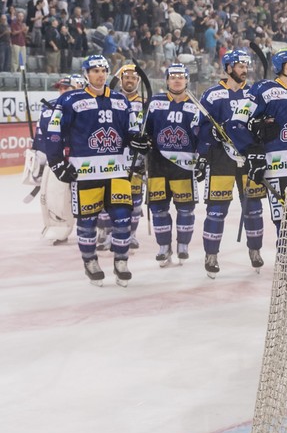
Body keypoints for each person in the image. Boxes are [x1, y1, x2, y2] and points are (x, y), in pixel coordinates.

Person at [43, 54, 146, 287]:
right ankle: (90, 261)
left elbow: (131, 132)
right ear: (86, 74)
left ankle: (121, 261)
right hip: (86, 173)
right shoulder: (70, 100)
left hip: (118, 171)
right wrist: (57, 162)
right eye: (95, 70)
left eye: (103, 70)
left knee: (122, 219)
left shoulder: (121, 100)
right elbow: (54, 133)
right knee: (87, 221)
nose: (100, 74)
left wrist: (139, 141)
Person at [225, 48, 287, 236]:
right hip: (279, 169)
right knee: (286, 229)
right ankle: (286, 266)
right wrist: (253, 150)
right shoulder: (265, 90)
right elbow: (235, 123)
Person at [197, 49, 266, 278]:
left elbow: (261, 122)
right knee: (216, 210)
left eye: (246, 66)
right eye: (239, 66)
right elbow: (201, 128)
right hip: (221, 159)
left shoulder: (254, 94)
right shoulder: (213, 94)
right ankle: (211, 255)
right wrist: (210, 139)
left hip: (247, 159)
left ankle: (255, 251)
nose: (244, 70)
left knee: (254, 209)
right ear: (228, 68)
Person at [141, 63, 200, 267]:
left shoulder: (195, 104)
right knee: (159, 209)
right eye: (173, 76)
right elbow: (145, 130)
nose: (177, 80)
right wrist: (143, 141)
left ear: (186, 80)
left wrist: (202, 157)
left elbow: (201, 136)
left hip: (184, 166)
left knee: (185, 210)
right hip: (157, 163)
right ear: (166, 80)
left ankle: (183, 245)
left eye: (181, 76)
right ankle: (163, 247)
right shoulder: (155, 102)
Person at [32, 74, 87, 244]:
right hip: (60, 160)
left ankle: (98, 229)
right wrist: (39, 157)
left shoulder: (90, 106)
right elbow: (43, 135)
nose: (62, 91)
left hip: (85, 160)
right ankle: (59, 229)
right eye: (60, 88)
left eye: (66, 88)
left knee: (89, 198)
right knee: (56, 198)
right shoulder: (50, 108)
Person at [114, 64, 146, 249]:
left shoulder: (145, 102)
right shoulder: (111, 99)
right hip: (113, 157)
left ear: (138, 81)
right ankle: (108, 232)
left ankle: (132, 233)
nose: (130, 80)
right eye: (126, 77)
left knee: (134, 200)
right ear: (121, 79)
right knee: (111, 198)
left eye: (133, 78)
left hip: (136, 158)